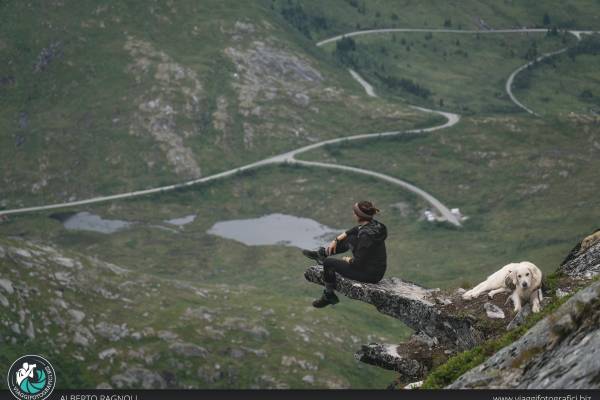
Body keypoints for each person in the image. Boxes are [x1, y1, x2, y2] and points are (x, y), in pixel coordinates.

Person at [302, 201, 387, 308]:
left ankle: (328, 295)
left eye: (355, 212)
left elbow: (358, 263)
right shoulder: (376, 225)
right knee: (350, 238)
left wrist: (348, 260)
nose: (353, 214)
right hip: (376, 269)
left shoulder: (365, 237)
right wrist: (337, 239)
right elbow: (356, 229)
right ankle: (322, 254)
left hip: (369, 275)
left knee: (328, 263)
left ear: (359, 216)